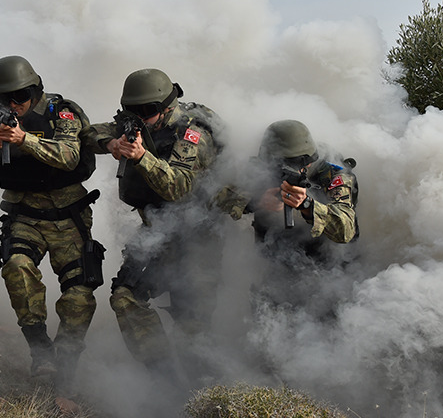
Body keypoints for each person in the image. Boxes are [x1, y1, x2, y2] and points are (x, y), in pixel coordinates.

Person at [0, 56, 103, 391]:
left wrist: (24, 140)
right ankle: (39, 349)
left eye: (20, 98)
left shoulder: (61, 113)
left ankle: (68, 365)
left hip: (68, 217)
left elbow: (69, 155)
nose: (14, 106)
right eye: (5, 100)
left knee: (79, 295)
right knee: (16, 266)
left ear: (33, 90)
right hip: (24, 215)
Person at [85, 68, 225, 387]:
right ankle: (164, 379)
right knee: (125, 296)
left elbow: (179, 187)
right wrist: (112, 144)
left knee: (193, 328)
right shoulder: (138, 121)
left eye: (147, 112)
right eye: (133, 112)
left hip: (197, 239)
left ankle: (208, 398)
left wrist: (141, 157)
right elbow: (87, 134)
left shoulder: (193, 135)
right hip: (157, 233)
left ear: (165, 106)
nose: (140, 119)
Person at [216, 119, 359, 316]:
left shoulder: (335, 176)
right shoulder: (260, 168)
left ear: (306, 162)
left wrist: (307, 205)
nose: (277, 171)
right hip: (274, 276)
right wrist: (256, 200)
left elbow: (346, 230)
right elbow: (216, 199)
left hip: (326, 277)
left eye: (285, 166)